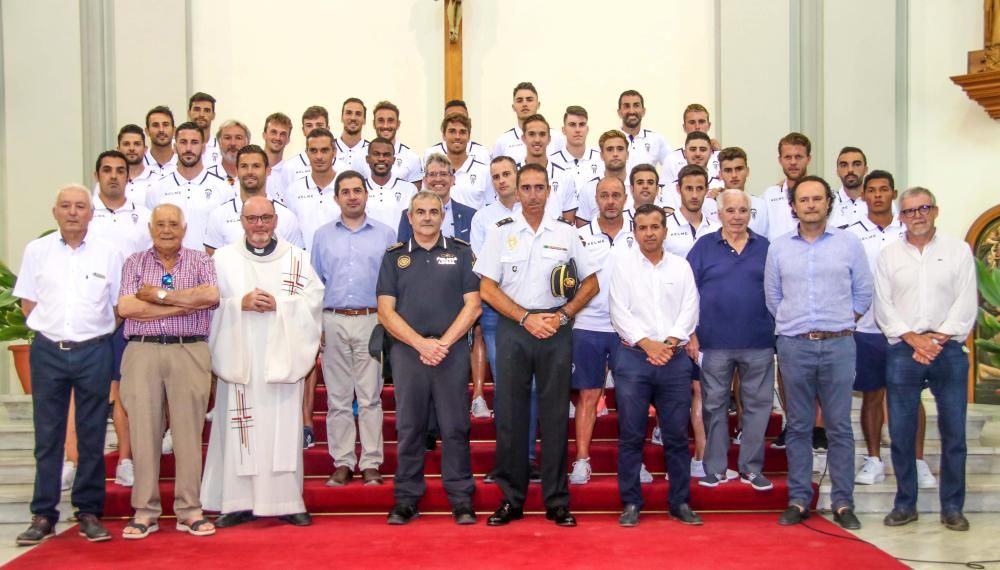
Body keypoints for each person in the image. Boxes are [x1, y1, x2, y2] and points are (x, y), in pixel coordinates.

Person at [475, 163, 598, 527]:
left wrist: (563, 315)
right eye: (525, 187)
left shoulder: (567, 233)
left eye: (538, 187)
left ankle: (557, 501)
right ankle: (511, 500)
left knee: (556, 415)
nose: (531, 194)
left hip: (555, 328)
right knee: (511, 418)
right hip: (515, 327)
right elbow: (486, 287)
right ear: (516, 190)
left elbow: (591, 284)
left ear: (548, 191)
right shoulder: (501, 233)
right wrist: (524, 317)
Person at [202, 196, 324, 528]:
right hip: (240, 361)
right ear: (241, 221)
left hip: (280, 360)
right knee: (240, 431)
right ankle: (236, 502)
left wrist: (281, 307)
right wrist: (238, 303)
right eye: (253, 218)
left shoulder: (297, 259)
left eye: (266, 218)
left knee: (282, 431)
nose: (259, 225)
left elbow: (313, 301)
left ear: (275, 221)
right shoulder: (223, 260)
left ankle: (287, 500)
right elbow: (208, 304)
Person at [13, 185, 123, 545]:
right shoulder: (37, 251)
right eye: (66, 206)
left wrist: (91, 335)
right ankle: (43, 514)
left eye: (80, 206)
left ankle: (88, 512)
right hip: (49, 351)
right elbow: (28, 303)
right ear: (54, 212)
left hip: (94, 351)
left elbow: (118, 306)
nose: (73, 212)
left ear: (91, 214)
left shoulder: (108, 253)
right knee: (48, 436)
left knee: (91, 434)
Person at [764, 175, 872, 530]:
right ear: (793, 206)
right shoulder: (779, 248)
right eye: (804, 200)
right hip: (795, 345)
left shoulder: (849, 244)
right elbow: (773, 297)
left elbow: (863, 293)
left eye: (817, 199)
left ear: (828, 203)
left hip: (839, 343)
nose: (810, 205)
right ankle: (798, 499)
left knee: (839, 426)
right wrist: (796, 326)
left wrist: (840, 322)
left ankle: (843, 503)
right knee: (797, 426)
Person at [875, 187, 977, 531]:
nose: (916, 215)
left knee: (954, 433)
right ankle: (906, 504)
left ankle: (952, 507)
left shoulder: (958, 251)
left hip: (947, 349)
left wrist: (940, 337)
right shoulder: (889, 256)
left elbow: (966, 300)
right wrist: (913, 338)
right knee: (901, 433)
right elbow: (883, 305)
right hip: (905, 349)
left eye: (923, 209)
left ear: (935, 211)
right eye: (909, 211)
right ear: (900, 216)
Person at [377, 191, 482, 525]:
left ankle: (461, 499)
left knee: (455, 427)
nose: (426, 217)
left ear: (442, 216)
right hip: (409, 354)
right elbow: (384, 311)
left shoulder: (461, 253)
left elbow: (473, 305)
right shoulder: (394, 257)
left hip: (450, 354)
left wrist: (442, 344)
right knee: (409, 428)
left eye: (433, 211)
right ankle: (407, 499)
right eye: (419, 212)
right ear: (409, 217)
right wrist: (421, 344)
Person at [117, 203, 220, 539]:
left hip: (188, 349)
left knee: (189, 433)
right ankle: (145, 511)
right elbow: (128, 307)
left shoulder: (201, 261)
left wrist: (159, 296)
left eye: (173, 224)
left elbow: (210, 296)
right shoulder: (134, 263)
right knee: (143, 432)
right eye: (160, 224)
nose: (166, 230)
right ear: (150, 228)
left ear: (184, 228)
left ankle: (189, 510)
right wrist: (182, 303)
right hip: (142, 351)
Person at [609, 203, 702, 527]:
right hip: (634, 359)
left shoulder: (681, 267)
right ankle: (631, 502)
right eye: (643, 228)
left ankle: (680, 502)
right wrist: (648, 344)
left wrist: (669, 343)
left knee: (676, 435)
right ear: (635, 232)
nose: (649, 233)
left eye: (655, 227)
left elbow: (690, 309)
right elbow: (619, 312)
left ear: (664, 230)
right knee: (631, 434)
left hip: (674, 361)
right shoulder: (622, 267)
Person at [844, 170, 932, 488]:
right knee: (871, 395)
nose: (878, 195)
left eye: (884, 189)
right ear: (864, 195)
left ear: (893, 194)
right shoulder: (851, 233)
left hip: (907, 329)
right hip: (866, 328)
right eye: (872, 190)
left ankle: (917, 460)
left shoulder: (909, 230)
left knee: (911, 396)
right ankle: (873, 458)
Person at [312, 171, 397, 487]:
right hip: (332, 319)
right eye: (345, 191)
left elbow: (392, 284)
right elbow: (315, 282)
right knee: (337, 397)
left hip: (371, 320)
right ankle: (343, 462)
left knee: (370, 395)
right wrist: (316, 323)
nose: (352, 196)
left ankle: (371, 462)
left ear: (366, 195)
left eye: (357, 190)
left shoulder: (385, 235)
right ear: (336, 198)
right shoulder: (322, 236)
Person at [687, 189, 775, 490]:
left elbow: (778, 292)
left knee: (757, 406)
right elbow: (686, 293)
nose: (737, 216)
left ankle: (751, 468)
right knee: (714, 406)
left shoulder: (766, 248)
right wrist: (692, 334)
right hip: (713, 343)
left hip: (759, 341)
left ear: (751, 214)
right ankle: (715, 468)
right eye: (731, 210)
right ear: (719, 214)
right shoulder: (703, 247)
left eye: (743, 211)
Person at [86, 151, 154, 489]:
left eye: (120, 171)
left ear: (130, 176)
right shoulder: (85, 214)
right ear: (96, 174)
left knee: (126, 391)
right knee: (94, 393)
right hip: (89, 316)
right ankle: (78, 461)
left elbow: (152, 264)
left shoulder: (143, 218)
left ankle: (126, 458)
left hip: (130, 315)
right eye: (107, 170)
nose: (114, 176)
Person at [569, 177, 633, 486]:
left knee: (631, 397)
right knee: (588, 395)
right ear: (596, 198)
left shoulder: (638, 233)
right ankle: (582, 460)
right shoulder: (579, 236)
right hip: (587, 326)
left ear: (625, 197)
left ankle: (634, 462)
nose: (610, 200)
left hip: (628, 329)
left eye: (616, 195)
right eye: (604, 195)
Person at [145, 121, 234, 250]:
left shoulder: (224, 189)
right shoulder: (156, 190)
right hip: (168, 268)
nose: (188, 149)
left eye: (194, 142)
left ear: (203, 148)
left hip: (210, 267)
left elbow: (228, 237)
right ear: (174, 147)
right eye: (183, 142)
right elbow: (150, 236)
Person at [204, 144, 304, 253]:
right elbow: (212, 263)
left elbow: (296, 262)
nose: (249, 172)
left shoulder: (286, 217)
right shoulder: (218, 216)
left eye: (256, 166)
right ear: (236, 171)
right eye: (244, 166)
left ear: (268, 170)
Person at [281, 127, 346, 249]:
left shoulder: (346, 189)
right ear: (307, 153)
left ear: (334, 152)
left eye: (324, 150)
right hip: (304, 263)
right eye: (313, 151)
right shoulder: (293, 191)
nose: (319, 156)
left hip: (340, 264)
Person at [397, 154, 475, 243]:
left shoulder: (470, 215)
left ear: (452, 179)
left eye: (443, 174)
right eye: (432, 174)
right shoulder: (408, 215)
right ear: (425, 181)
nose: (438, 179)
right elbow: (402, 254)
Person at [493, 82, 565, 164]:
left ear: (538, 105)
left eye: (529, 100)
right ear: (513, 107)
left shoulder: (556, 137)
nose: (524, 104)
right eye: (520, 101)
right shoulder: (502, 141)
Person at [356, 100, 423, 186]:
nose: (385, 126)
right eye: (381, 120)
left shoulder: (412, 158)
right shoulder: (359, 156)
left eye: (390, 121)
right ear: (373, 124)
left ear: (398, 124)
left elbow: (414, 195)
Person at [763, 132, 812, 241]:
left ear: (808, 159)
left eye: (798, 157)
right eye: (788, 157)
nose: (793, 162)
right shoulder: (770, 195)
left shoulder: (822, 194)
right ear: (780, 160)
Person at [575, 130, 631, 224]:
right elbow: (582, 231)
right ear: (601, 155)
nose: (615, 154)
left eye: (620, 149)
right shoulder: (588, 189)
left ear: (627, 154)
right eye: (610, 149)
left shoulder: (638, 187)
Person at [363, 137, 418, 232]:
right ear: (367, 159)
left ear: (393, 160)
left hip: (400, 246)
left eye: (386, 155)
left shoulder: (409, 190)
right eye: (376, 154)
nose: (381, 159)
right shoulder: (358, 189)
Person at [439, 113, 491, 209]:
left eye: (462, 132)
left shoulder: (485, 172)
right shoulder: (434, 172)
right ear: (444, 136)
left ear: (469, 137)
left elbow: (491, 208)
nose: (457, 137)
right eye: (452, 131)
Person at [662, 103, 721, 185]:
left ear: (709, 125)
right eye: (692, 122)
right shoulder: (672, 159)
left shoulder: (720, 157)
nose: (697, 127)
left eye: (701, 122)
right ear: (684, 127)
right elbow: (665, 191)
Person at [424, 99, 493, 166]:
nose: (457, 119)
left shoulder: (482, 152)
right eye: (451, 117)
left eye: (462, 117)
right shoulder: (430, 153)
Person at [718, 146, 768, 236]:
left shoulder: (761, 205)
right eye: (728, 170)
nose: (734, 175)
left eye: (739, 169)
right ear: (720, 174)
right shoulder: (710, 205)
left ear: (747, 171)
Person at [616, 89, 669, 173]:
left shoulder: (657, 139)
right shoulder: (609, 141)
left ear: (643, 111)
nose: (632, 111)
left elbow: (672, 169)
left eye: (636, 105)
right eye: (626, 106)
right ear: (619, 112)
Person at [549, 105, 602, 185]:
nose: (577, 130)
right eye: (572, 125)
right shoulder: (551, 162)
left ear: (587, 129)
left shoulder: (601, 159)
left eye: (581, 124)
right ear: (563, 130)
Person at [831, 146, 870, 227]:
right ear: (837, 171)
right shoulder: (828, 203)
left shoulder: (879, 201)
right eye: (844, 165)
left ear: (865, 169)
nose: (850, 170)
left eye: (856, 164)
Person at [261, 112, 294, 203]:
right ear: (264, 135)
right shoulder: (250, 169)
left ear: (288, 140)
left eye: (283, 134)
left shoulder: (291, 173)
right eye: (273, 132)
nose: (278, 138)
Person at [211, 120, 251, 185]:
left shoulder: (255, 177)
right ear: (219, 142)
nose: (233, 143)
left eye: (238, 138)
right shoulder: (207, 176)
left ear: (247, 142)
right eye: (227, 138)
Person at [188, 92, 220, 167]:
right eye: (197, 109)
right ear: (189, 113)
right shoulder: (176, 147)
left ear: (213, 115)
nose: (201, 114)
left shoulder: (221, 148)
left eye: (207, 110)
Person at [144, 105, 178, 176]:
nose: (161, 130)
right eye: (155, 125)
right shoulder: (139, 164)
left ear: (174, 130)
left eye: (165, 125)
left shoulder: (184, 163)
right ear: (147, 131)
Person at [336, 97, 369, 167]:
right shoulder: (329, 147)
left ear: (364, 120)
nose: (353, 118)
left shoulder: (371, 150)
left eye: (358, 114)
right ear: (341, 117)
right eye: (348, 113)